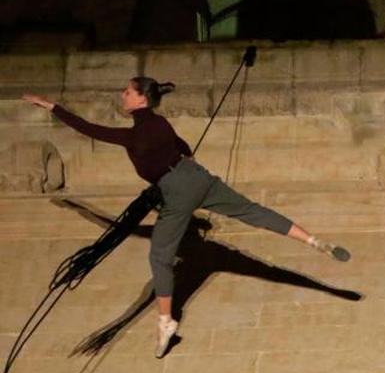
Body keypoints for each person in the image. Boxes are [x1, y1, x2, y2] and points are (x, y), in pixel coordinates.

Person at [23, 78, 350, 358]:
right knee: (252, 211)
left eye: (127, 91)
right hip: (197, 177)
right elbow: (184, 147)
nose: (122, 96)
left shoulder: (134, 135)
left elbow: (89, 129)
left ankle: (167, 323)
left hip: (176, 190)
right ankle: (312, 240)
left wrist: (51, 106)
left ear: (141, 98)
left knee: (160, 256)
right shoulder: (161, 124)